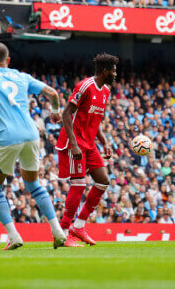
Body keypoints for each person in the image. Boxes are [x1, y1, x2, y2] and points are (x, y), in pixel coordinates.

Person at [0, 43, 68, 250]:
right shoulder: (22, 76)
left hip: (7, 136)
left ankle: (14, 236)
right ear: (8, 60)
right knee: (33, 184)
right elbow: (52, 92)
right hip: (31, 134)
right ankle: (58, 232)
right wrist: (56, 111)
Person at [57, 53, 119, 246]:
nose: (116, 74)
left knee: (103, 181)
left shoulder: (106, 91)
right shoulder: (84, 87)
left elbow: (96, 119)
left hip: (90, 144)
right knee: (78, 185)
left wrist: (104, 141)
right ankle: (64, 233)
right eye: (114, 70)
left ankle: (79, 226)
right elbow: (66, 114)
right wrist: (74, 143)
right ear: (106, 71)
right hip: (74, 142)